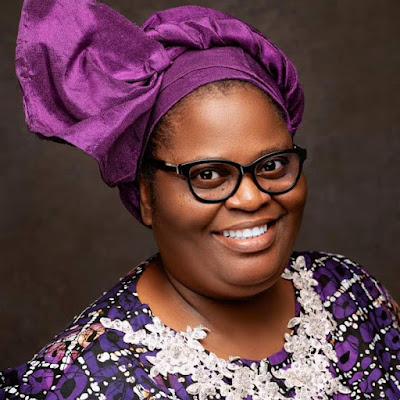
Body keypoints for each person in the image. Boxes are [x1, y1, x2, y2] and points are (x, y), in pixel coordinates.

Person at [1, 0, 399, 399]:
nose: (251, 197)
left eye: (272, 165)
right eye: (208, 175)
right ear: (146, 196)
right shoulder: (86, 380)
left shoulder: (352, 293)